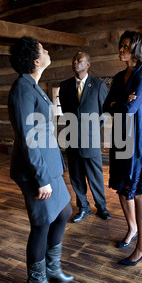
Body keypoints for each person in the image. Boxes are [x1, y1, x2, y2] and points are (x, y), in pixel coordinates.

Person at [8, 36, 73, 283]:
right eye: (44, 50)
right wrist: (42, 178)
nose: (48, 51)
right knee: (42, 224)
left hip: (49, 165)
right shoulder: (22, 89)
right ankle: (37, 281)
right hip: (34, 170)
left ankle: (52, 269)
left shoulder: (33, 85)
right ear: (36, 60)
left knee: (64, 210)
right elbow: (27, 138)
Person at [103, 30, 142, 266]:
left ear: (137, 49)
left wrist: (121, 103)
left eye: (126, 46)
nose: (121, 49)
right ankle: (132, 228)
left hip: (138, 140)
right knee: (122, 188)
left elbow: (131, 109)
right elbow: (107, 105)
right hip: (120, 137)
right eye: (121, 45)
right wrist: (120, 102)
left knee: (138, 192)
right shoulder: (118, 76)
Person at [59, 51, 111, 223]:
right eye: (73, 59)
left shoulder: (98, 85)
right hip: (72, 139)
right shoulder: (65, 86)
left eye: (79, 60)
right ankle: (83, 208)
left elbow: (105, 113)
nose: (75, 62)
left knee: (95, 176)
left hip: (91, 140)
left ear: (88, 64)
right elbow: (66, 113)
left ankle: (101, 207)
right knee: (76, 176)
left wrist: (93, 129)